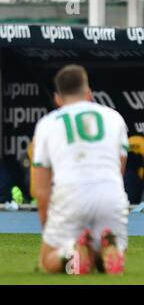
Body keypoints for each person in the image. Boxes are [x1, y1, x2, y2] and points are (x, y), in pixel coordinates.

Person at [31, 65, 129, 274]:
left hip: (70, 197)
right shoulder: (114, 118)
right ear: (89, 93)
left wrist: (50, 233)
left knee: (47, 260)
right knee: (104, 258)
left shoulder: (47, 124)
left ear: (57, 98)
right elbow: (118, 171)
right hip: (111, 197)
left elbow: (41, 191)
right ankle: (108, 250)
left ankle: (71, 255)